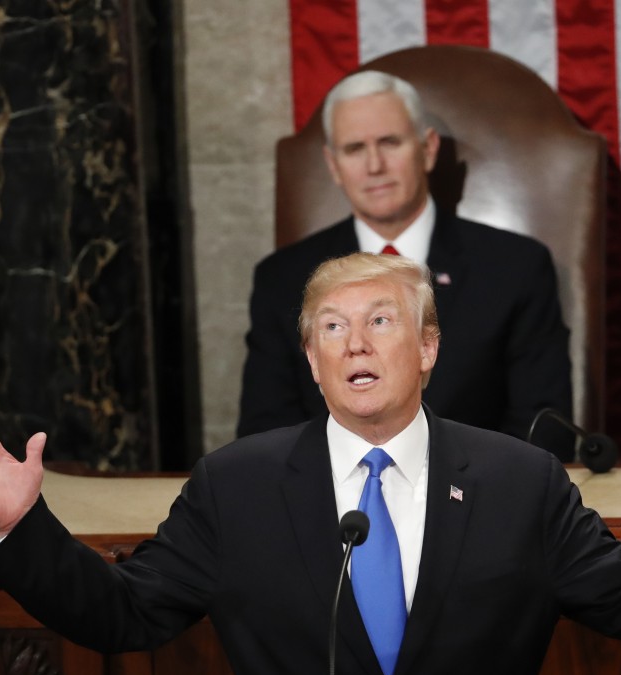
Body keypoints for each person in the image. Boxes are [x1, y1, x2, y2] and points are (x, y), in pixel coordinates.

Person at [0, 253, 621, 675]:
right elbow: (125, 616)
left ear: (428, 348)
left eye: (381, 320)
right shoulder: (238, 485)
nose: (356, 341)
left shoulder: (518, 481)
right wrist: (23, 529)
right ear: (310, 361)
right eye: (333, 328)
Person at [237, 69, 574, 459]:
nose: (374, 165)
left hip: (478, 502)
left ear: (428, 149)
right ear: (333, 165)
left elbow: (544, 427)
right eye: (354, 149)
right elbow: (265, 434)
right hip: (332, 507)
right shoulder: (282, 279)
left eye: (389, 142)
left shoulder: (515, 267)